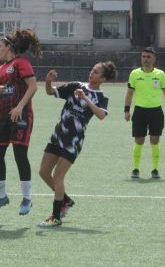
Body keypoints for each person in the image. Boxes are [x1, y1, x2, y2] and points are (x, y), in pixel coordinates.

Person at [38, 62, 116, 228]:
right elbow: (50, 92)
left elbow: (101, 115)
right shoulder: (76, 86)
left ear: (102, 78)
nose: (91, 73)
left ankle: (56, 216)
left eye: (96, 72)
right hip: (57, 135)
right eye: (92, 70)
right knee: (43, 172)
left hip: (73, 141)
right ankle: (65, 200)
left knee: (58, 177)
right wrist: (48, 81)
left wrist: (85, 98)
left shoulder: (101, 97)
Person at [0, 28, 41, 216]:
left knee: (20, 156)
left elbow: (33, 85)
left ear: (9, 47)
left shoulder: (21, 63)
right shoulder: (1, 68)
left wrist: (19, 106)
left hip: (21, 116)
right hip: (2, 117)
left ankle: (27, 198)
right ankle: (1, 196)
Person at [124, 47, 165, 179]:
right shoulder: (134, 74)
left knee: (155, 140)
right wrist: (126, 110)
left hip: (156, 111)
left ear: (154, 59)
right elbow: (129, 93)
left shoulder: (160, 74)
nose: (145, 59)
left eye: (148, 57)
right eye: (143, 57)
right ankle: (135, 169)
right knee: (139, 140)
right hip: (139, 111)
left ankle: (155, 169)